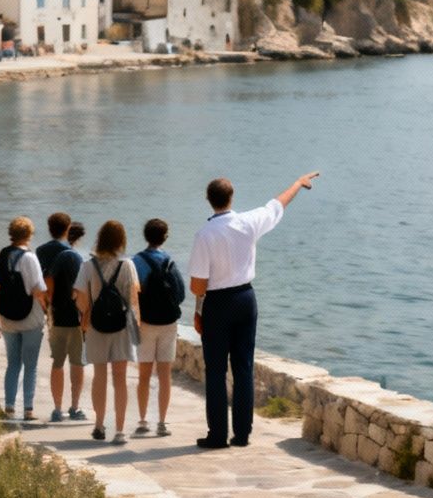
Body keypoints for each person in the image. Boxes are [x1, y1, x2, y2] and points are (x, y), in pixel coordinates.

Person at [189, 171, 319, 450]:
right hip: (246, 299)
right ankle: (243, 433)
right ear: (231, 197)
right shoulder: (249, 222)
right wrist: (297, 183)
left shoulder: (204, 235)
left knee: (215, 370)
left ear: (208, 201)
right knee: (244, 367)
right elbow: (277, 204)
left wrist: (198, 311)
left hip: (217, 304)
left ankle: (217, 435)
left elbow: (198, 285)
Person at [74, 220, 140, 444]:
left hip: (96, 326)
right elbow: (133, 298)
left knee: (99, 377)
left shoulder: (88, 265)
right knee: (120, 379)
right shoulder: (128, 265)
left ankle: (99, 425)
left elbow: (81, 299)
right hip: (121, 328)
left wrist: (87, 314)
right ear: (121, 241)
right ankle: (120, 430)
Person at [0, 216, 50, 421]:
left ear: (11, 234)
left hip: (6, 317)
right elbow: (39, 290)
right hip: (29, 316)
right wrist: (46, 312)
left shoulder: (0, 257)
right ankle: (29, 409)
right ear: (29, 235)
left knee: (13, 363)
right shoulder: (30, 258)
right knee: (30, 365)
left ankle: (9, 405)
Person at [131, 218, 186, 437]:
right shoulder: (170, 262)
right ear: (165, 237)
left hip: (145, 323)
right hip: (168, 324)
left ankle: (143, 420)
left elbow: (131, 294)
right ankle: (162, 423)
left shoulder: (136, 261)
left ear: (146, 236)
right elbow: (180, 294)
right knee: (165, 376)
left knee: (144, 376)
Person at [39, 214, 88, 423]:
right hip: (74, 317)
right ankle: (75, 407)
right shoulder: (73, 256)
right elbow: (81, 286)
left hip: (54, 314)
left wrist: (47, 303)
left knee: (57, 362)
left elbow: (43, 280)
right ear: (67, 228)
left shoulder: (40, 251)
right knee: (77, 363)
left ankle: (57, 409)